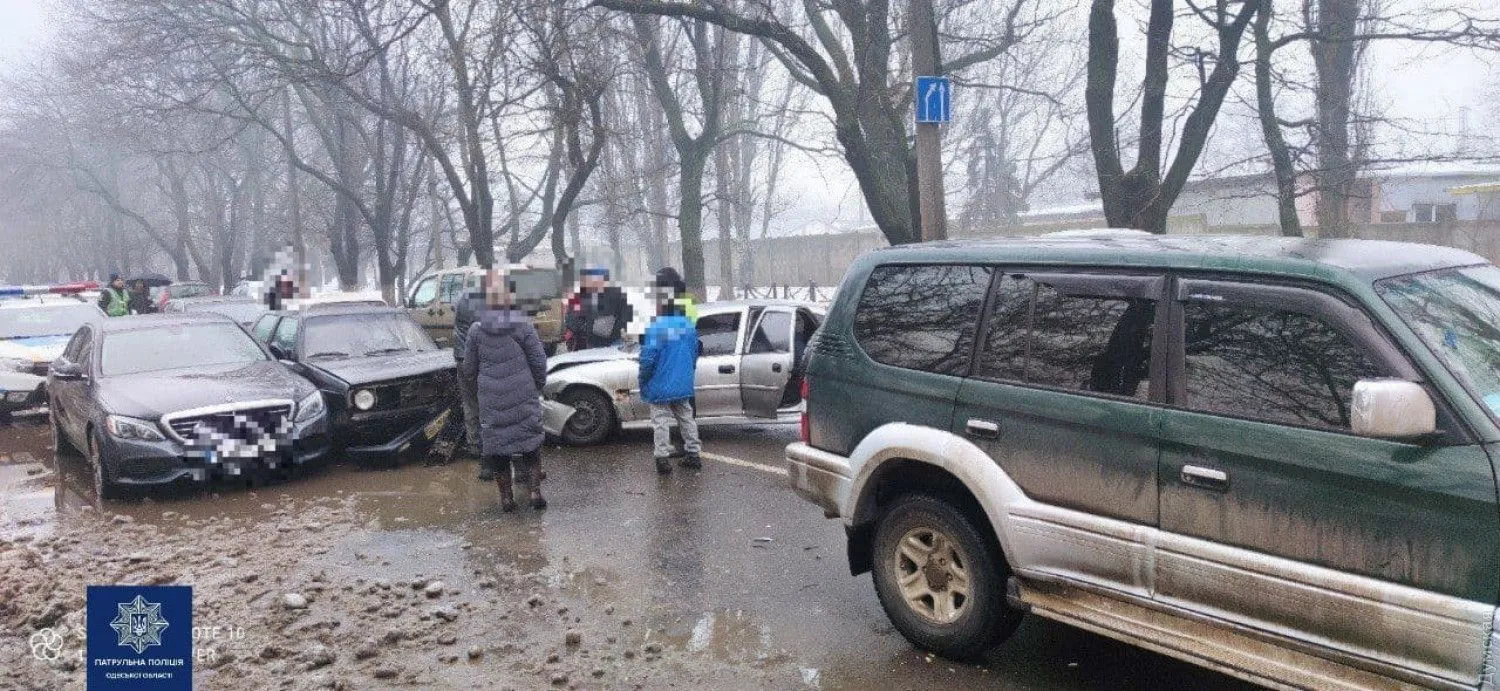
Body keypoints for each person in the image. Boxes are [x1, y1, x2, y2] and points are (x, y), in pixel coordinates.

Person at [460, 269, 549, 511]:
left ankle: (507, 499)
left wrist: (482, 388)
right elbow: (539, 361)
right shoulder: (523, 325)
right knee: (530, 444)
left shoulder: (476, 330)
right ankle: (533, 493)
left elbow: (469, 368)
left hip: (491, 397)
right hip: (523, 392)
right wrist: (537, 385)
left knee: (498, 449)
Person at [639, 267, 701, 475]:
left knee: (660, 421)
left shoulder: (656, 327)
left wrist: (643, 379)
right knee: (686, 418)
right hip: (682, 381)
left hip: (660, 382)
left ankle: (662, 458)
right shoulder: (688, 325)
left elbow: (648, 359)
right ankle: (693, 454)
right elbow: (693, 353)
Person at [450, 275, 486, 475]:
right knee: (485, 401)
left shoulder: (462, 298)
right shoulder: (483, 302)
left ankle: (474, 444)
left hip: (461, 357)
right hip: (478, 358)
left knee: (470, 402)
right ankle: (488, 445)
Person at [563, 267, 632, 351]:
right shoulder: (582, 296)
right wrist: (587, 327)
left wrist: (616, 331)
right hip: (592, 343)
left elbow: (627, 317)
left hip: (614, 342)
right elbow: (573, 318)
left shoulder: (619, 295)